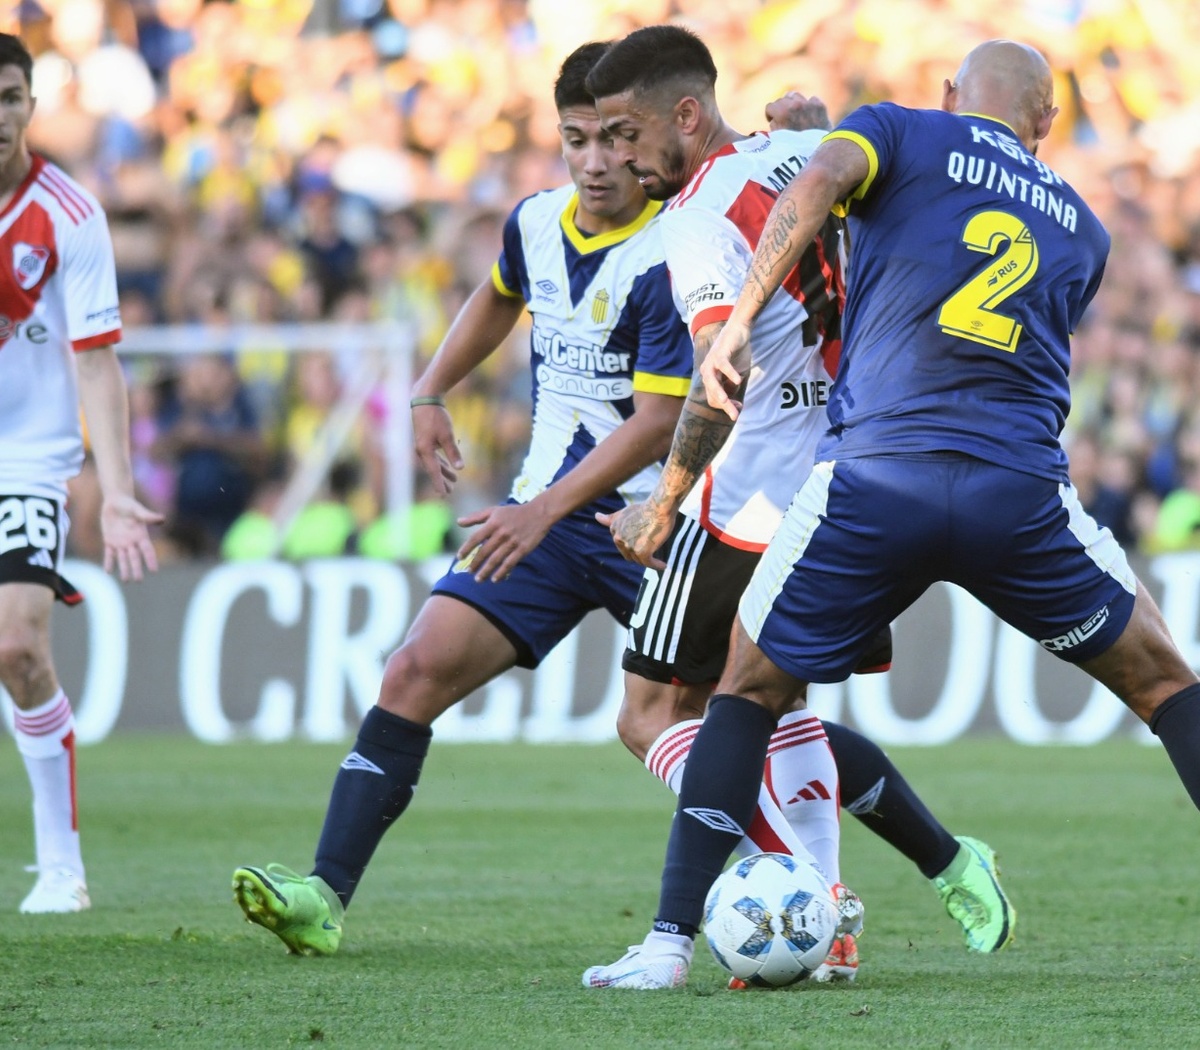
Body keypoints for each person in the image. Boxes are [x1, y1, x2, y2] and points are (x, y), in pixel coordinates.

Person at [587, 37, 1200, 990]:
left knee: (743, 693)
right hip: (1018, 493)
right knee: (1167, 683)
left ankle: (668, 947)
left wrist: (742, 317)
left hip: (876, 478)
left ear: (952, 94)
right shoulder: (1084, 226)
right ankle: (870, 884)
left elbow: (830, 179)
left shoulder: (898, 131)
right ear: (1046, 126)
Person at [230, 41, 694, 955]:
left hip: (660, 525)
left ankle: (888, 866)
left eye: (611, 139)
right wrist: (429, 388)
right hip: (547, 524)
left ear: (641, 139)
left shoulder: (680, 247)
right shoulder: (534, 223)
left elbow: (656, 424)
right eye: (575, 139)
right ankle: (323, 895)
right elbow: (496, 296)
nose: (595, 161)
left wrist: (543, 509)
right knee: (413, 670)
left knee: (733, 728)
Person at [580, 25, 1013, 989]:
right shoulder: (809, 153)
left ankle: (790, 902)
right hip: (855, 482)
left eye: (624, 132)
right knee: (776, 711)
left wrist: (663, 501)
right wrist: (815, 131)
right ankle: (899, 885)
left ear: (685, 116)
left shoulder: (696, 218)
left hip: (751, 494)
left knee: (653, 713)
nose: (614, 157)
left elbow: (719, 374)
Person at [0, 33, 161, 913]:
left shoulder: (68, 213)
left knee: (17, 646)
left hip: (27, 453)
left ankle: (60, 864)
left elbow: (98, 362)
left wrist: (121, 492)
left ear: (29, 103)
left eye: (10, 97)